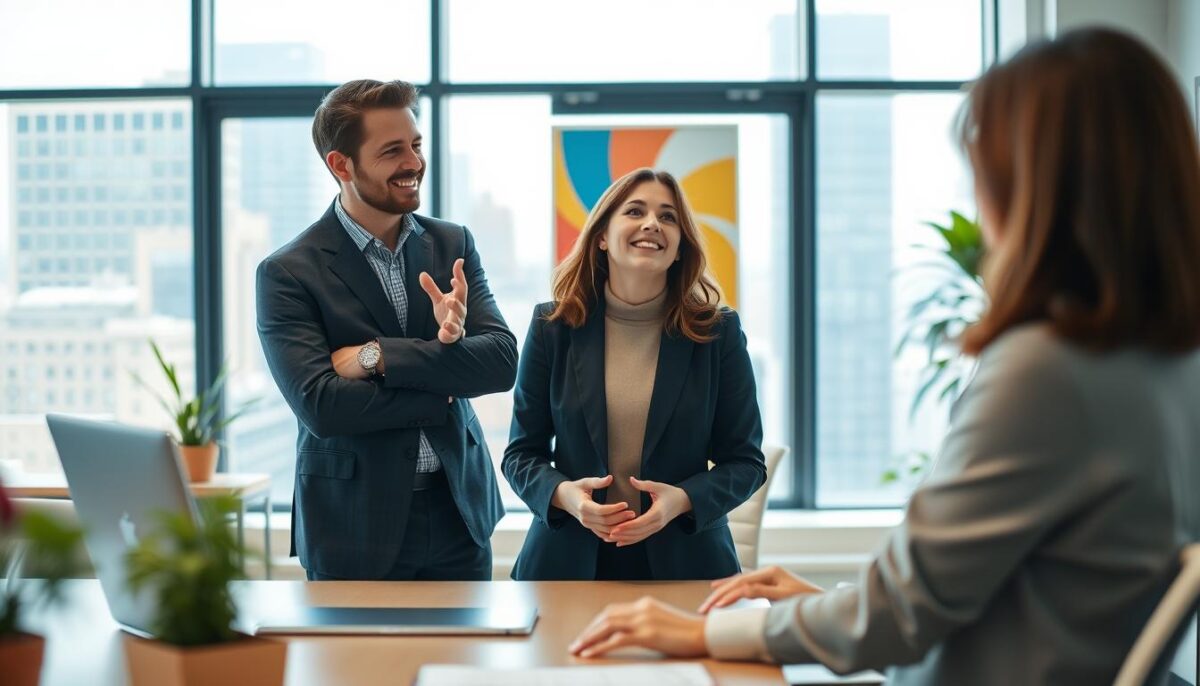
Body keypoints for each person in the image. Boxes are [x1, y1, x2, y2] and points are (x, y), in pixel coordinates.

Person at [568, 28, 1200, 684]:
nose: (979, 202)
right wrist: (830, 604)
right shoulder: (1167, 364)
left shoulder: (1044, 371)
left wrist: (704, 632)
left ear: (1037, 188)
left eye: (985, 172)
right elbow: (989, 596)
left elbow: (901, 614)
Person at [256, 79, 517, 581]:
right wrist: (442, 387)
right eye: (392, 150)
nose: (414, 162)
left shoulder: (452, 244)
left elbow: (501, 362)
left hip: (458, 515)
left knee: (466, 639)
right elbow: (322, 406)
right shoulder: (288, 272)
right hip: (351, 526)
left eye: (416, 145)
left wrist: (376, 356)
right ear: (342, 165)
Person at [503, 167, 767, 581]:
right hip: (566, 564)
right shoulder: (552, 327)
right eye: (635, 211)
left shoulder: (717, 332)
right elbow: (520, 455)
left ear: (679, 247)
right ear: (602, 237)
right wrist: (566, 496)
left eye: (668, 217)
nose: (652, 224)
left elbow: (746, 462)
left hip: (686, 564)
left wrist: (682, 500)